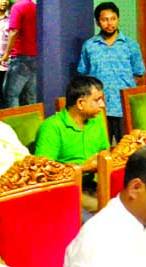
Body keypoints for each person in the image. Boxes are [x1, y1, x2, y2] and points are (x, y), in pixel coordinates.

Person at [34, 75, 110, 211]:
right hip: (66, 190)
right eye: (97, 100)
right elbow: (43, 172)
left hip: (96, 184)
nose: (102, 105)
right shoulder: (52, 127)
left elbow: (105, 149)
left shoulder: (96, 120)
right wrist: (83, 168)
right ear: (80, 103)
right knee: (105, 211)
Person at [78, 1, 146, 144]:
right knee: (101, 152)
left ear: (118, 19)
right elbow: (84, 75)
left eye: (113, 19)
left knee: (127, 150)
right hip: (98, 108)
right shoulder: (89, 46)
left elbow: (139, 75)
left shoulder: (130, 45)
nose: (109, 23)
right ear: (97, 22)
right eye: (104, 20)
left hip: (123, 108)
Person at [0, 0, 37, 107]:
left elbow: (14, 31)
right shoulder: (34, 7)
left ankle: (12, 124)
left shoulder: (17, 7)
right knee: (30, 96)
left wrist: (6, 54)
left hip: (20, 57)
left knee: (11, 95)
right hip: (35, 56)